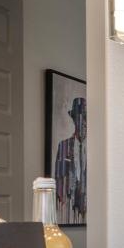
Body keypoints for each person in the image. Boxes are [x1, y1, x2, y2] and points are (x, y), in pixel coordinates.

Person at [52, 95, 88, 224]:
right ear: (74, 120)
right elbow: (59, 179)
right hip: (69, 211)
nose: (83, 122)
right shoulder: (64, 146)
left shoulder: (97, 150)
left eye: (85, 118)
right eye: (80, 118)